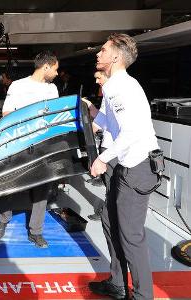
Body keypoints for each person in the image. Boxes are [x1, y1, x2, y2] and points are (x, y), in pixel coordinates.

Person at [87, 33, 160, 300]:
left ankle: (142, 296)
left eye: (103, 50)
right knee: (109, 219)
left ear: (116, 56)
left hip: (137, 166)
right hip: (127, 165)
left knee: (131, 236)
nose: (98, 53)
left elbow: (131, 133)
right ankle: (118, 283)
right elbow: (112, 124)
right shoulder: (114, 86)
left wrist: (102, 158)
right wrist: (94, 114)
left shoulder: (121, 87)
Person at [0, 50, 59, 248]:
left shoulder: (52, 89)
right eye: (55, 69)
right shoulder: (18, 85)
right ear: (46, 67)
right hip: (18, 145)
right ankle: (3, 220)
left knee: (42, 188)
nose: (57, 73)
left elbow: (55, 116)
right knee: (10, 185)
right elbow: (6, 114)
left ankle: (36, 232)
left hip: (43, 146)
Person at [85, 71, 116, 221]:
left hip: (111, 147)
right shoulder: (110, 93)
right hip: (113, 147)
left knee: (111, 186)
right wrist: (91, 108)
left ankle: (107, 214)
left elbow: (99, 124)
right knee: (112, 185)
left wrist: (84, 133)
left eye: (99, 77)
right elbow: (102, 117)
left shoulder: (110, 94)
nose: (97, 81)